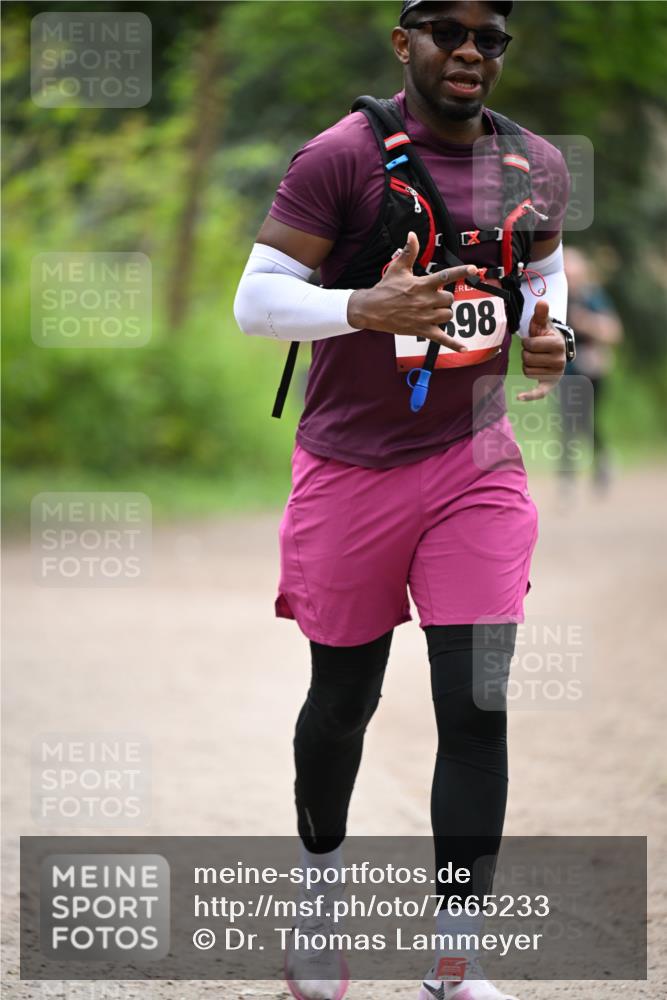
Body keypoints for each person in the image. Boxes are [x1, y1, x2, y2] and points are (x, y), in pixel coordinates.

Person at [234, 2, 571, 998]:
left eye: (490, 38)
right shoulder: (337, 157)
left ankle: (454, 965)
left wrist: (547, 341)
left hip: (475, 465)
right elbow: (255, 301)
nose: (469, 52)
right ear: (403, 44)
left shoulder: (537, 166)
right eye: (446, 32)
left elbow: (542, 284)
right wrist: (361, 307)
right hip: (349, 470)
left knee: (476, 707)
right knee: (343, 702)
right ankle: (317, 903)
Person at [559, 246, 623, 493]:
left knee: (585, 421)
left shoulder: (592, 297)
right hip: (565, 371)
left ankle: (603, 459)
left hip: (591, 373)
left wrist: (586, 322)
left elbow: (613, 331)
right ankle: (567, 479)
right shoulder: (558, 299)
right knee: (566, 421)